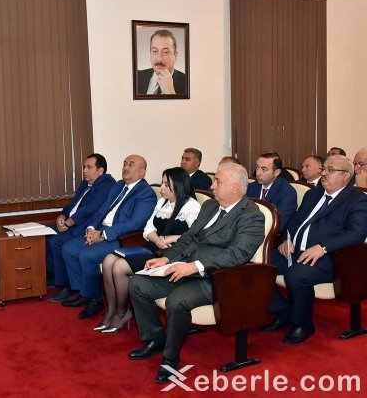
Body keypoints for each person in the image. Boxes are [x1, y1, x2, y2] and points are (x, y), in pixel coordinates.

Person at [127, 163, 264, 384]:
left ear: (235, 187)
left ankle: (170, 358)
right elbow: (188, 238)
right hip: (185, 267)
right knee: (137, 283)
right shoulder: (210, 206)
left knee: (176, 301)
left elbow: (237, 254)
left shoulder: (251, 216)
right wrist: (167, 258)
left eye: (218, 182)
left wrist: (195, 266)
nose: (212, 186)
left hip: (217, 277)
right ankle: (156, 338)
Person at [263, 155, 367, 344]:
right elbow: (295, 220)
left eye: (330, 170)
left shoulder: (358, 200)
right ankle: (283, 310)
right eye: (324, 169)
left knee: (296, 275)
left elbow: (356, 234)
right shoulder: (314, 194)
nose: (324, 173)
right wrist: (286, 239)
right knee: (261, 265)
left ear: (346, 176)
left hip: (331, 258)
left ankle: (303, 324)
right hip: (296, 250)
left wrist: (323, 248)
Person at [96, 167, 200, 334]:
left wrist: (169, 239)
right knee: (108, 260)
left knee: (119, 267)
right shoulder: (162, 202)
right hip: (152, 248)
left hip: (170, 255)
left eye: (166, 184)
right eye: (162, 183)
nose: (162, 188)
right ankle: (112, 311)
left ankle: (122, 313)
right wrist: (157, 239)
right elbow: (148, 229)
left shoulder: (191, 206)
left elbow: (195, 235)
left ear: (178, 185)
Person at [60, 155, 156, 318]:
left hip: (120, 238)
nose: (125, 167)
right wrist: (91, 229)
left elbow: (134, 223)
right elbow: (101, 211)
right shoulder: (118, 186)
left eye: (131, 164)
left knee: (86, 254)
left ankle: (94, 300)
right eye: (124, 163)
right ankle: (84, 292)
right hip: (100, 231)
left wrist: (103, 234)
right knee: (68, 249)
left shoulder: (146, 194)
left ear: (142, 172)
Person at [46, 154, 115, 302]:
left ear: (100, 171)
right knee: (47, 234)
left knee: (57, 242)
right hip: (71, 223)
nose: (84, 170)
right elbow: (73, 204)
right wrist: (62, 216)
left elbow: (90, 208)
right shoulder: (85, 183)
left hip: (83, 226)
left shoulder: (107, 184)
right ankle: (55, 276)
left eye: (89, 167)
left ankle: (69, 286)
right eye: (84, 167)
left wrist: (69, 222)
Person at [248, 152, 297, 232]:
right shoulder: (251, 187)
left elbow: (278, 225)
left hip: (272, 236)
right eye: (257, 168)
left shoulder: (287, 193)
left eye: (264, 169)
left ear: (276, 172)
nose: (257, 173)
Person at [137, 29, 186, 95]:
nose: (159, 58)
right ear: (150, 54)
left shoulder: (187, 82)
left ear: (175, 56)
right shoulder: (137, 77)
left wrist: (170, 92)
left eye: (165, 52)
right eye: (155, 51)